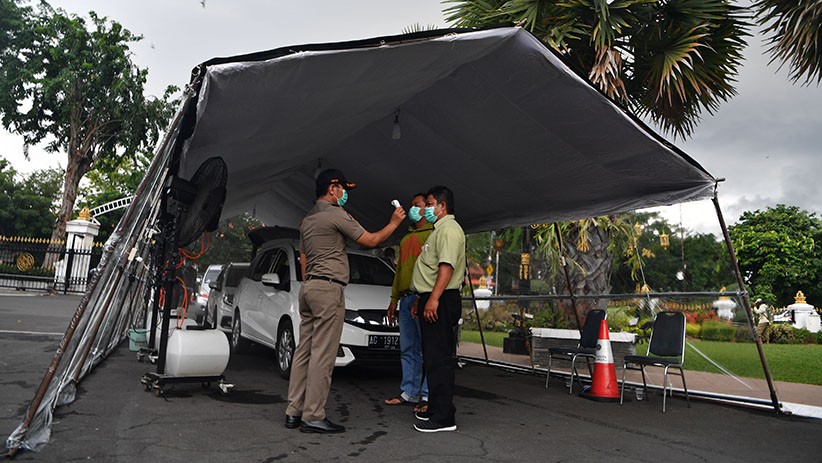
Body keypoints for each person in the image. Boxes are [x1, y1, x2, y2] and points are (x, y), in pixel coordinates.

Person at [285, 168, 406, 434]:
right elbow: (371, 240)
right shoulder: (336, 214)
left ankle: (293, 412)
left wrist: (310, 285)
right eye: (343, 189)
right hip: (328, 289)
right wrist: (394, 223)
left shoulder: (307, 220)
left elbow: (303, 259)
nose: (345, 194)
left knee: (303, 351)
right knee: (323, 356)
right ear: (332, 188)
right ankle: (313, 415)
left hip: (309, 288)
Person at [410, 185, 465, 433]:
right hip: (432, 298)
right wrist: (421, 299)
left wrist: (432, 299)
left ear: (442, 206)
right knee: (431, 358)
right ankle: (435, 408)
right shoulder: (438, 229)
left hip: (442, 299)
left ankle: (444, 418)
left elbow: (447, 267)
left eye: (430, 203)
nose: (427, 208)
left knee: (440, 359)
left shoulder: (449, 230)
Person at [383, 193, 433, 413]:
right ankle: (409, 392)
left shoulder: (433, 234)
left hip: (421, 297)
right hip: (405, 298)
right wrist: (393, 300)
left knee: (426, 348)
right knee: (408, 348)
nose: (413, 209)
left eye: (417, 205)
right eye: (413, 205)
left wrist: (423, 297)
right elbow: (399, 271)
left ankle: (427, 394)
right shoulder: (406, 238)